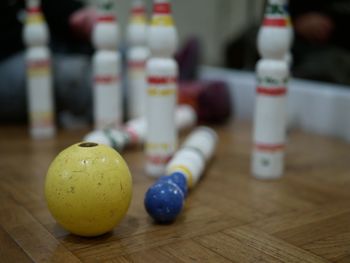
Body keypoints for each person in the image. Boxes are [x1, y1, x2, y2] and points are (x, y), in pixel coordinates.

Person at [0, 0, 97, 126]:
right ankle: (126, 122)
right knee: (71, 73)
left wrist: (75, 12)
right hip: (7, 58)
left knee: (121, 51)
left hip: (46, 42)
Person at [224, 0, 350, 86]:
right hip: (292, 38)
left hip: (331, 48)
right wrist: (297, 24)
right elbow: (272, 11)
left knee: (329, 65)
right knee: (249, 39)